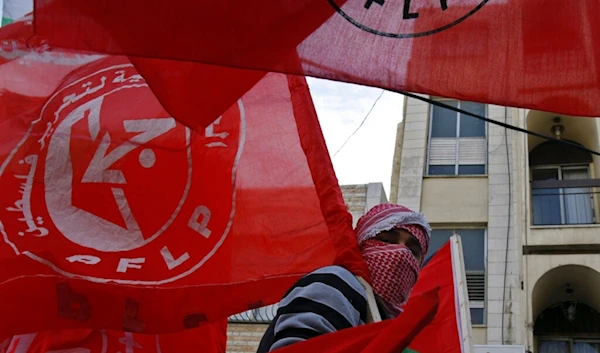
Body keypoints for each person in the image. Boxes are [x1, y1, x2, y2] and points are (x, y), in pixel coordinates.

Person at [256, 203, 431, 352]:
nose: (400, 253)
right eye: (385, 240)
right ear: (361, 242)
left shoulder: (389, 319)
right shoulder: (335, 282)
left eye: (412, 251)